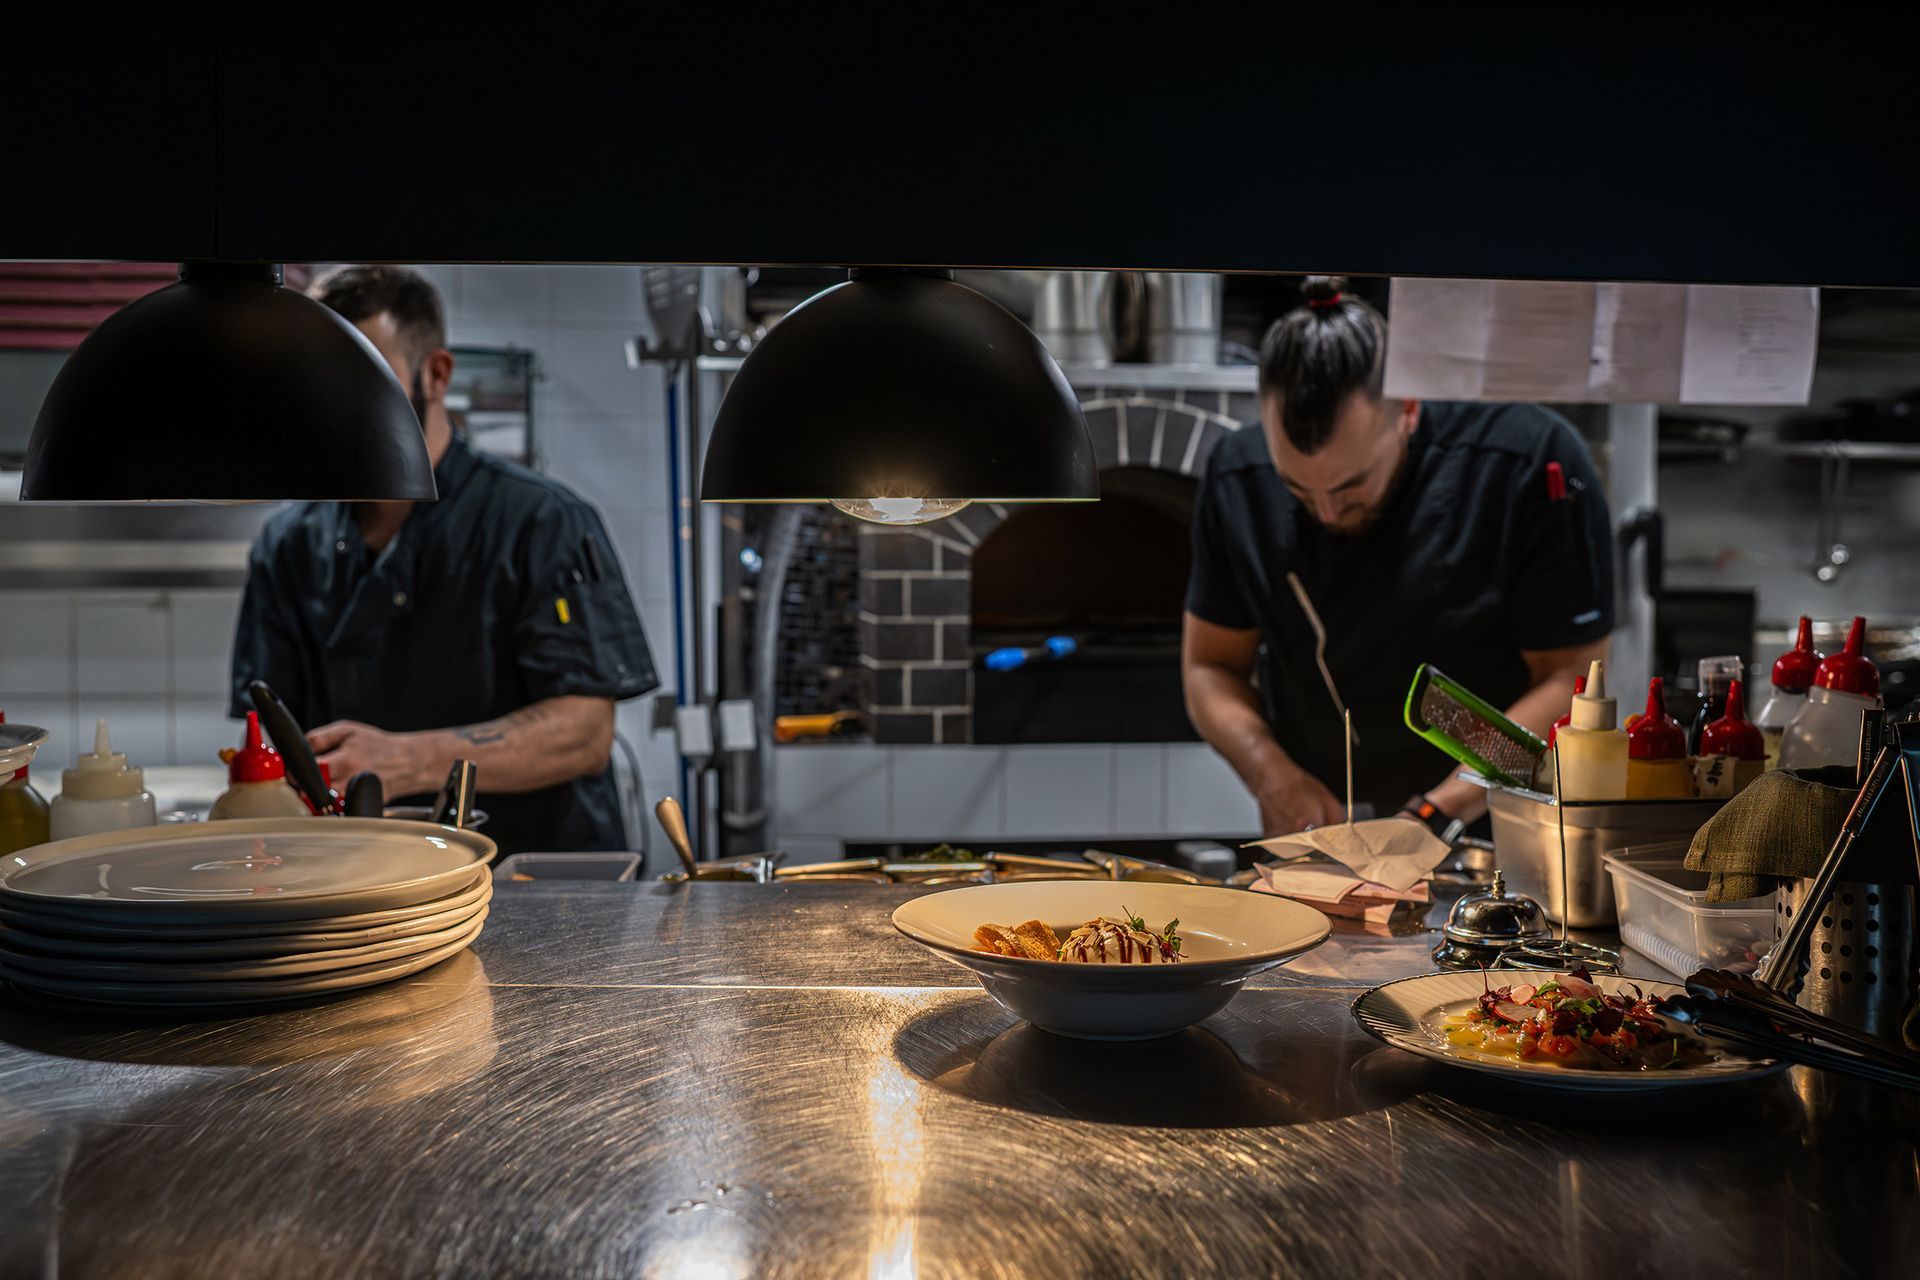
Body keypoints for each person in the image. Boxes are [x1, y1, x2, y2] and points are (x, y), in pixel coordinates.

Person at [230, 265, 658, 855]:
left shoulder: (540, 521)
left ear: (436, 374)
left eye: (364, 378)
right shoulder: (287, 544)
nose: (336, 404)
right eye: (319, 380)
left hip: (537, 880)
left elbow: (585, 731)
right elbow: (273, 738)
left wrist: (407, 759)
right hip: (369, 883)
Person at [1182, 276, 1612, 837]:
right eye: (1299, 491)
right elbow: (1209, 667)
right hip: (1322, 833)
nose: (1327, 513)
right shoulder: (1236, 477)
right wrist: (1270, 775)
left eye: (1351, 487)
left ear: (1408, 407)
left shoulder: (1525, 463)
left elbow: (1570, 678)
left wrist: (1438, 810)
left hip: (1496, 829)